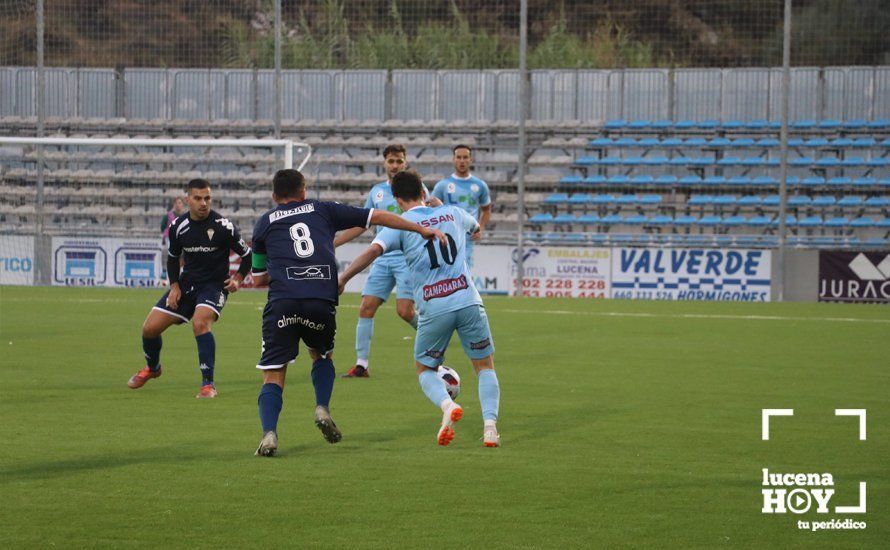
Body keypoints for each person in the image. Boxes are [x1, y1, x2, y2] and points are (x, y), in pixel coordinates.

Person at [250, 169, 445, 457]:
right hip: (320, 298)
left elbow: (257, 279)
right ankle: (322, 407)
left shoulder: (264, 223)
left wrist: (283, 270)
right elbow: (376, 216)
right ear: (304, 191)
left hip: (283, 302)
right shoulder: (322, 209)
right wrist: (419, 229)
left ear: (274, 196)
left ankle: (269, 434)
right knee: (322, 354)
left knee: (274, 372)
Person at [338, 170, 501, 448]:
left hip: (434, 308)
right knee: (484, 366)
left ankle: (447, 406)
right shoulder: (454, 213)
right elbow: (476, 229)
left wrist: (343, 278)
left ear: (398, 200)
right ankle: (490, 429)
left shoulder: (399, 225)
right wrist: (443, 209)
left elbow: (372, 252)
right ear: (425, 192)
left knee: (425, 369)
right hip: (468, 301)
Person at [128, 178, 252, 398]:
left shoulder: (224, 226)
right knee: (149, 329)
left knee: (200, 323)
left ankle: (208, 385)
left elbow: (247, 256)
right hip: (186, 285)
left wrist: (238, 279)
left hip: (214, 287)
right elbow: (173, 260)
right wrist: (174, 287)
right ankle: (153, 369)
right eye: (198, 198)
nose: (203, 203)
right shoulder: (178, 227)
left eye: (207, 198)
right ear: (188, 200)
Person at [333, 143, 440, 379]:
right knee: (366, 307)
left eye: (399, 161)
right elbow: (364, 223)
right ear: (384, 163)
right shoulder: (377, 192)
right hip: (381, 256)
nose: (395, 165)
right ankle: (361, 365)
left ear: (405, 162)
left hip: (407, 257)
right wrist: (334, 243)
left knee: (404, 311)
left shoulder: (418, 188)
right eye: (391, 161)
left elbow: (433, 215)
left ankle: (434, 345)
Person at [431, 144, 492, 269]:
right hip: (446, 237)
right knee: (444, 275)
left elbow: (486, 210)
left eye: (465, 157)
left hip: (467, 238)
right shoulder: (443, 185)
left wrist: (480, 227)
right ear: (453, 159)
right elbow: (431, 209)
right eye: (459, 157)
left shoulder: (480, 185)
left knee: (464, 275)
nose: (462, 161)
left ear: (471, 160)